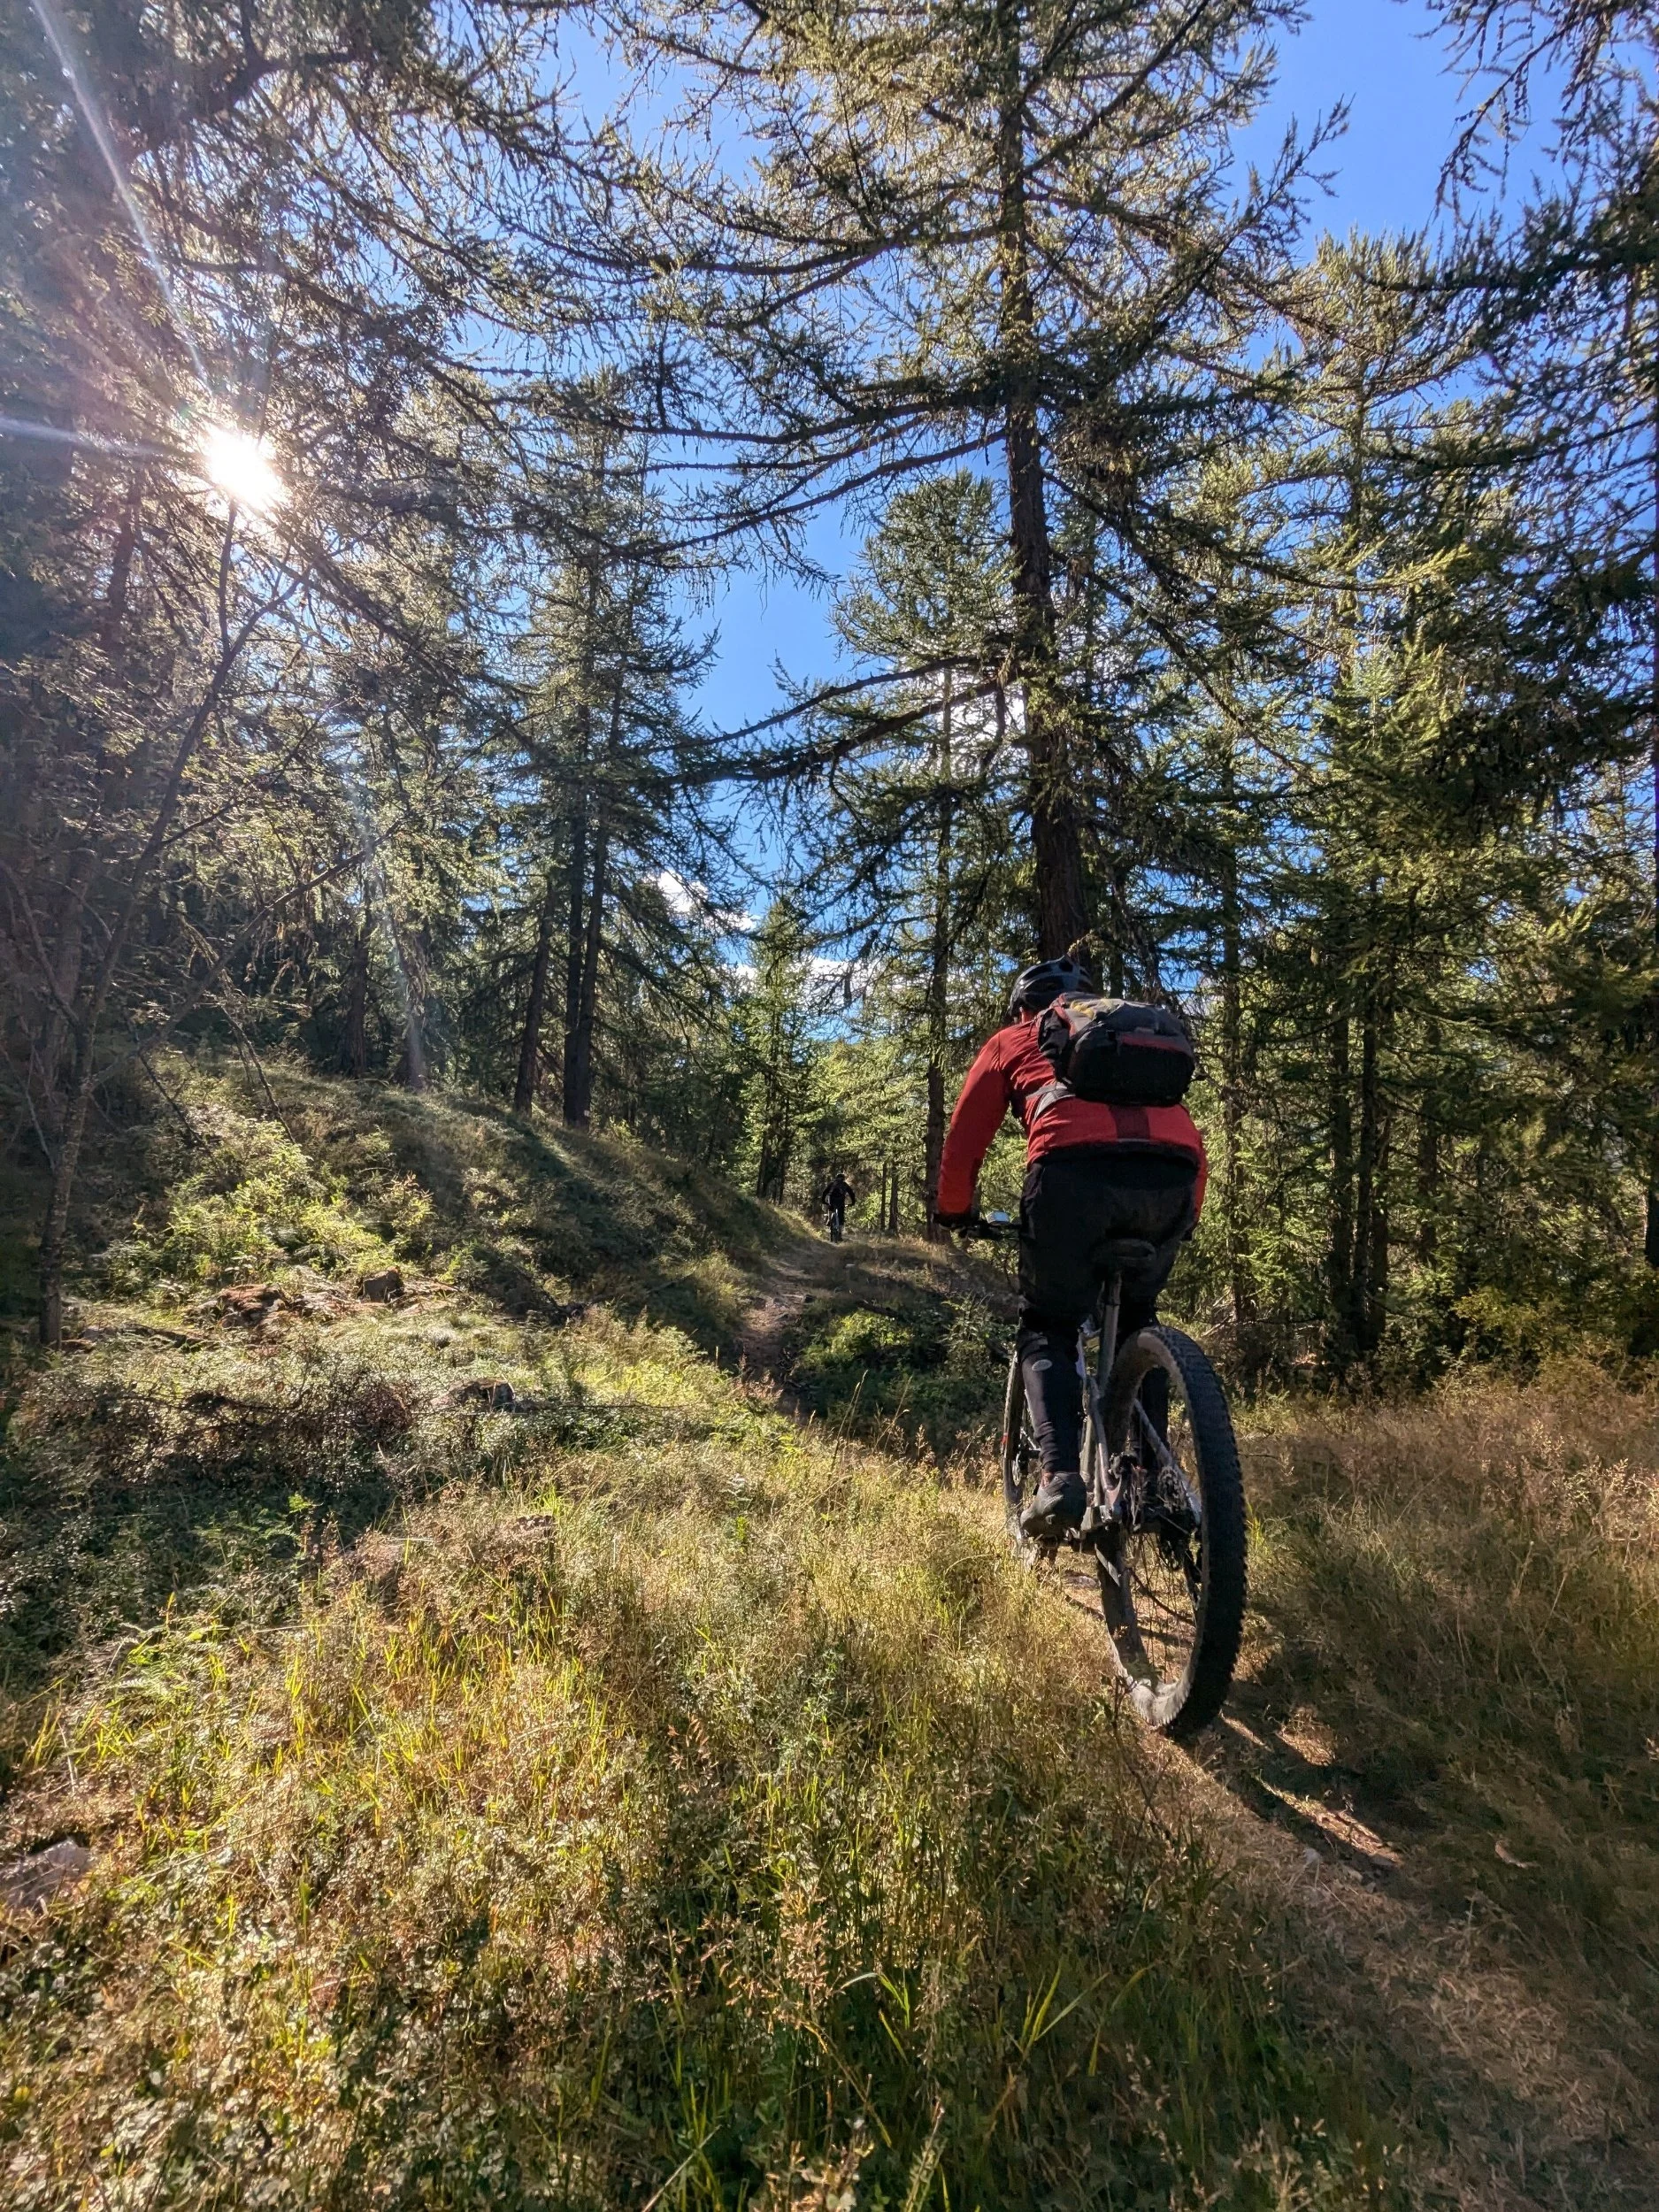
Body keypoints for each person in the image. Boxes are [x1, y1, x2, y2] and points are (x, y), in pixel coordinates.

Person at [933, 956, 1207, 1540]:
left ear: (1020, 1007)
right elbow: (1186, 1133)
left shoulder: (1013, 1038)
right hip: (1172, 1181)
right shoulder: (1130, 1042)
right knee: (1139, 1321)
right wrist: (1184, 1218)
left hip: (1070, 1176)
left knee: (1048, 1326)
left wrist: (954, 1210)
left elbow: (963, 1138)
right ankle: (1153, 1479)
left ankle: (1058, 1479)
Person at [821, 1171, 856, 1240]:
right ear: (843, 1179)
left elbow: (825, 1192)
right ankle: (839, 1234)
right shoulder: (844, 1184)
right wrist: (853, 1202)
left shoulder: (832, 1183)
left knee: (831, 1207)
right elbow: (851, 1193)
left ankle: (830, 1220)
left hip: (832, 1200)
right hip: (840, 1201)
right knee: (841, 1217)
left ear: (836, 1178)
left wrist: (823, 1201)